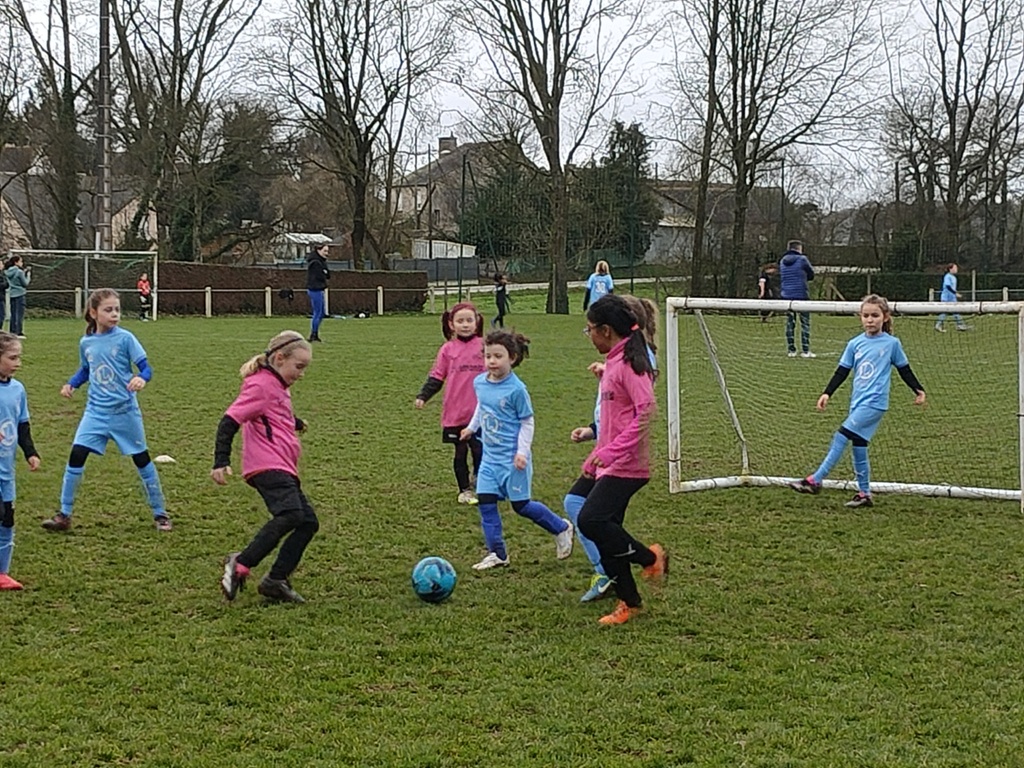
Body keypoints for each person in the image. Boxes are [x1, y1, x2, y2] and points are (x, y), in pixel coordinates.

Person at [41, 289, 171, 532]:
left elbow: (146, 368)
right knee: (77, 454)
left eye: (117, 310)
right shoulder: (86, 342)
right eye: (108, 310)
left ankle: (160, 513)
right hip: (95, 412)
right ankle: (64, 515)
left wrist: (141, 379)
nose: (114, 314)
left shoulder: (126, 339)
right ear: (93, 313)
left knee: (141, 459)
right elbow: (86, 370)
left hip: (124, 412)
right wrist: (71, 383)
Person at [576, 294, 667, 625]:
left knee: (591, 520)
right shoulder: (615, 360)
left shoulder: (631, 364)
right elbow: (617, 412)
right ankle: (630, 602)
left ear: (606, 330)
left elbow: (646, 412)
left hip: (629, 465)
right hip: (612, 462)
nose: (589, 337)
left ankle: (649, 557)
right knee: (604, 531)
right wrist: (597, 452)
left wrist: (611, 452)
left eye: (590, 331)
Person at [790, 294, 926, 508]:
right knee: (859, 447)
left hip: (875, 404)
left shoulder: (892, 344)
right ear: (860, 317)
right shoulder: (855, 344)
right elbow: (842, 371)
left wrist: (918, 390)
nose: (870, 320)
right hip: (858, 403)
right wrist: (827, 393)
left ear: (886, 317)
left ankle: (815, 480)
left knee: (840, 436)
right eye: (865, 315)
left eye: (875, 315)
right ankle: (864, 494)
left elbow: (904, 369)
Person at [213, 331, 317, 604]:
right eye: (299, 367)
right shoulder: (260, 385)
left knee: (308, 523)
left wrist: (294, 422)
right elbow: (229, 420)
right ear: (279, 358)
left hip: (282, 465)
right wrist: (221, 460)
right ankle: (241, 563)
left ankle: (275, 580)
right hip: (266, 465)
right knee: (292, 514)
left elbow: (272, 411)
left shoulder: (276, 385)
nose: (301, 374)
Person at [459, 330, 574, 570]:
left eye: (497, 356)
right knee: (486, 503)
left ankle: (561, 528)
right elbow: (483, 406)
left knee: (521, 506)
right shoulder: (480, 382)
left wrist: (522, 452)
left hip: (513, 460)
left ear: (512, 357)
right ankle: (498, 554)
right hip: (490, 459)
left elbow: (527, 422)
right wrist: (471, 428)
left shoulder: (517, 390)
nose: (491, 361)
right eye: (488, 356)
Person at [415, 302, 485, 504]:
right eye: (460, 321)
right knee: (460, 451)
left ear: (476, 322)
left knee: (480, 450)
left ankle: (481, 483)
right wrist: (423, 396)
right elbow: (437, 376)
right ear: (451, 324)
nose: (465, 325)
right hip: (456, 411)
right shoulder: (447, 349)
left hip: (480, 412)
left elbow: (499, 369)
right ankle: (464, 490)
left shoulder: (484, 346)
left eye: (469, 320)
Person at [0, 332, 41, 590]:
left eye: (19, 357)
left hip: (6, 470)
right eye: (12, 357)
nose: (18, 363)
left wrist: (30, 452)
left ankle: (2, 573)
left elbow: (22, 425)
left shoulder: (17, 389)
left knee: (8, 519)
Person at [778, 240, 814, 357]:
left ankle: (791, 350)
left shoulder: (782, 261)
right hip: (801, 295)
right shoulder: (802, 259)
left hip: (786, 296)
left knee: (789, 323)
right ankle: (805, 350)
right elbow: (811, 274)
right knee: (805, 324)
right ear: (799, 249)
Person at [306, 243, 330, 343]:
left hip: (319, 289)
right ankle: (313, 334)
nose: (327, 253)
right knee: (318, 313)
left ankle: (314, 333)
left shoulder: (321, 262)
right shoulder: (315, 263)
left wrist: (325, 273)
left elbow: (328, 274)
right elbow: (321, 275)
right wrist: (324, 273)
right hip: (315, 289)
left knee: (321, 313)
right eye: (325, 251)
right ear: (318, 251)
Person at [935, 263, 969, 332]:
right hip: (946, 297)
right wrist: (955, 293)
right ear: (950, 269)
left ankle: (960, 325)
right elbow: (948, 286)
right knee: (944, 312)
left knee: (956, 311)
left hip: (952, 298)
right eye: (955, 268)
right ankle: (938, 325)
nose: (956, 269)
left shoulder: (954, 277)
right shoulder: (947, 276)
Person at [5, 255, 31, 339]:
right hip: (20, 294)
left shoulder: (8, 271)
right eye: (20, 261)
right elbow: (25, 283)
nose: (22, 263)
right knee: (19, 314)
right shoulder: (19, 272)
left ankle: (12, 332)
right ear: (16, 262)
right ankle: (18, 332)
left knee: (13, 314)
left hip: (12, 294)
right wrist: (28, 275)